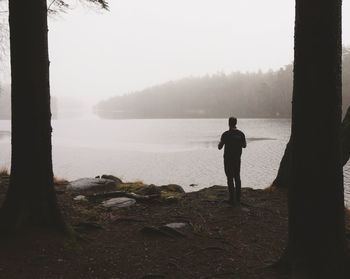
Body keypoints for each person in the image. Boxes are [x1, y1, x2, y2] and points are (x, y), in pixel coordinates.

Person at [218, 117, 246, 205]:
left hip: (228, 159)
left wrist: (221, 142)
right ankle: (238, 198)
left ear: (229, 123)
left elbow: (219, 147)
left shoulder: (226, 134)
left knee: (230, 178)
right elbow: (244, 146)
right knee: (237, 177)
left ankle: (231, 199)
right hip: (237, 159)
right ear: (236, 123)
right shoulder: (241, 134)